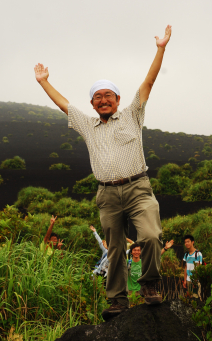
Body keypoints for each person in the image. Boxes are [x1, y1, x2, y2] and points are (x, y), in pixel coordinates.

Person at [34, 25, 172, 319]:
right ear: (92, 104)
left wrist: (160, 48)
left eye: (109, 95)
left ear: (118, 100)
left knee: (149, 235)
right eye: (98, 97)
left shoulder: (132, 114)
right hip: (107, 194)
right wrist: (44, 82)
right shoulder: (87, 125)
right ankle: (118, 300)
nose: (104, 100)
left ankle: (149, 283)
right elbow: (63, 104)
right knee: (115, 249)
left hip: (138, 188)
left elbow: (149, 81)